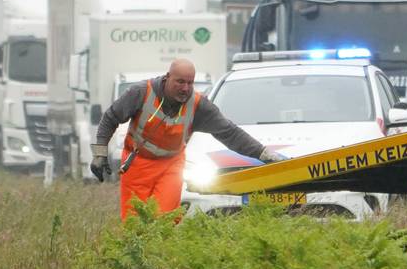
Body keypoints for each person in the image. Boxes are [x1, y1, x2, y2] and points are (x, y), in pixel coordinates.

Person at [93, 58, 285, 220]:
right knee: (134, 224)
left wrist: (264, 154)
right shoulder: (141, 93)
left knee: (164, 220)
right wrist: (99, 154)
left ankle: (161, 261)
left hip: (170, 167)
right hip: (137, 166)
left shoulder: (199, 105)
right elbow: (110, 118)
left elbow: (230, 133)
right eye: (180, 82)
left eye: (190, 83)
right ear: (167, 78)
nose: (185, 88)